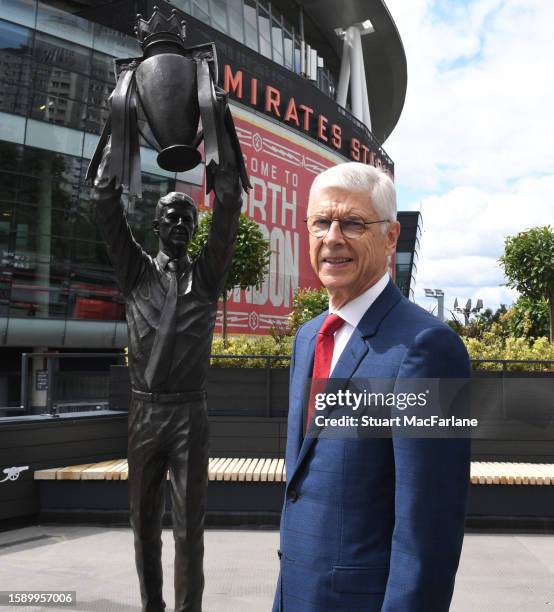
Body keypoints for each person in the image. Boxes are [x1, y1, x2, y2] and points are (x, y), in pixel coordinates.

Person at [272, 162, 471, 612]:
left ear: (391, 237)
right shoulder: (308, 338)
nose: (333, 237)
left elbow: (431, 528)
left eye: (354, 223)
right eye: (321, 222)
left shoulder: (432, 348)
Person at [91, 94, 243, 612]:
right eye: (170, 218)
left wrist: (216, 124)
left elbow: (228, 205)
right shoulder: (135, 274)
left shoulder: (206, 278)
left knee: (189, 529)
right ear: (155, 226)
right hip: (145, 413)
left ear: (194, 231)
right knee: (142, 526)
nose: (179, 225)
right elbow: (104, 202)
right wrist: (120, 121)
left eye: (186, 220)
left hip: (188, 415)